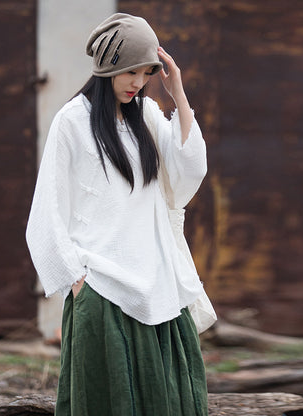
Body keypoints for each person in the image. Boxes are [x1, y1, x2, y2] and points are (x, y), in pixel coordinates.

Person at [26, 13, 208, 416]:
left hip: (159, 287)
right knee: (106, 403)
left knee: (174, 403)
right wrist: (76, 280)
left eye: (146, 73)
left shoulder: (146, 115)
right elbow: (47, 209)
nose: (137, 82)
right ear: (107, 66)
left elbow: (188, 173)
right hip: (103, 288)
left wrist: (177, 92)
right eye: (130, 71)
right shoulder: (72, 121)